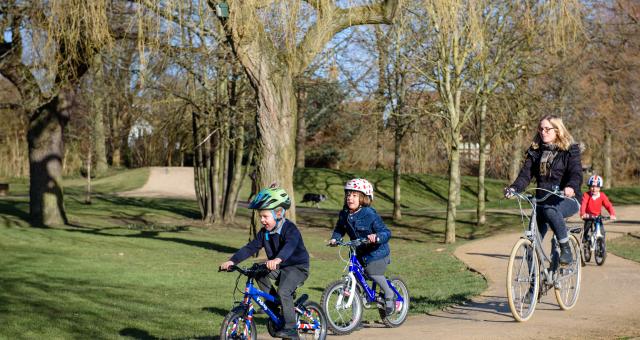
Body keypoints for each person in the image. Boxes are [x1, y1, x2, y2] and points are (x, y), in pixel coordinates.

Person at [220, 186, 309, 340]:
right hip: (279, 266)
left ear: (279, 213)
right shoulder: (264, 233)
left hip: (297, 267)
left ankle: (291, 328)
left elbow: (290, 246)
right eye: (261, 216)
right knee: (257, 271)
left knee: (284, 291)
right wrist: (232, 261)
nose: (262, 220)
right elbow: (250, 247)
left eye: (265, 216)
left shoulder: (290, 229)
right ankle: (273, 306)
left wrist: (277, 259)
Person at [505, 115, 583, 266]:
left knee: (550, 211)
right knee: (530, 246)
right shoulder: (535, 151)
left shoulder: (570, 150)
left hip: (566, 198)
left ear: (558, 130)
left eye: (547, 129)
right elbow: (525, 175)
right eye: (541, 129)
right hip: (541, 201)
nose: (543, 132)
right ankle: (535, 287)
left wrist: (571, 187)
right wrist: (514, 188)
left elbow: (576, 173)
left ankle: (565, 248)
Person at [328, 178, 396, 315]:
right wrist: (335, 238)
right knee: (356, 277)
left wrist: (376, 237)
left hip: (377, 253)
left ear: (363, 198)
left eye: (354, 195)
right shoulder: (344, 214)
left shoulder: (369, 214)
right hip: (358, 252)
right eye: (348, 195)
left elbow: (386, 232)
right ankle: (356, 316)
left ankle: (389, 295)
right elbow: (340, 228)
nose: (350, 198)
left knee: (372, 272)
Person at [580, 175, 616, 240]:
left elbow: (608, 205)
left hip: (598, 216)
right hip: (588, 216)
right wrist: (583, 213)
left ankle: (602, 248)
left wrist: (612, 214)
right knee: (587, 227)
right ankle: (585, 239)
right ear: (589, 187)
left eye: (597, 187)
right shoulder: (586, 195)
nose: (594, 189)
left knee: (602, 232)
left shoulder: (602, 196)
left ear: (600, 188)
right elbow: (583, 204)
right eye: (592, 187)